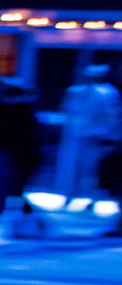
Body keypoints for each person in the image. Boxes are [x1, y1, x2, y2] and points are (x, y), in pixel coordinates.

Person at [0, 76, 44, 235]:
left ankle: (22, 217)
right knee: (11, 186)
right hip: (13, 154)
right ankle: (22, 216)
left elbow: (4, 134)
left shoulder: (15, 111)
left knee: (10, 185)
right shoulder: (19, 110)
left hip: (13, 154)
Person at [53, 63, 121, 203]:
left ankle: (91, 198)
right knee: (71, 167)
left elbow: (112, 116)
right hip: (74, 136)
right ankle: (70, 195)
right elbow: (67, 109)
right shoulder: (76, 91)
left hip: (95, 137)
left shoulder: (108, 93)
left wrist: (110, 136)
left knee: (92, 169)